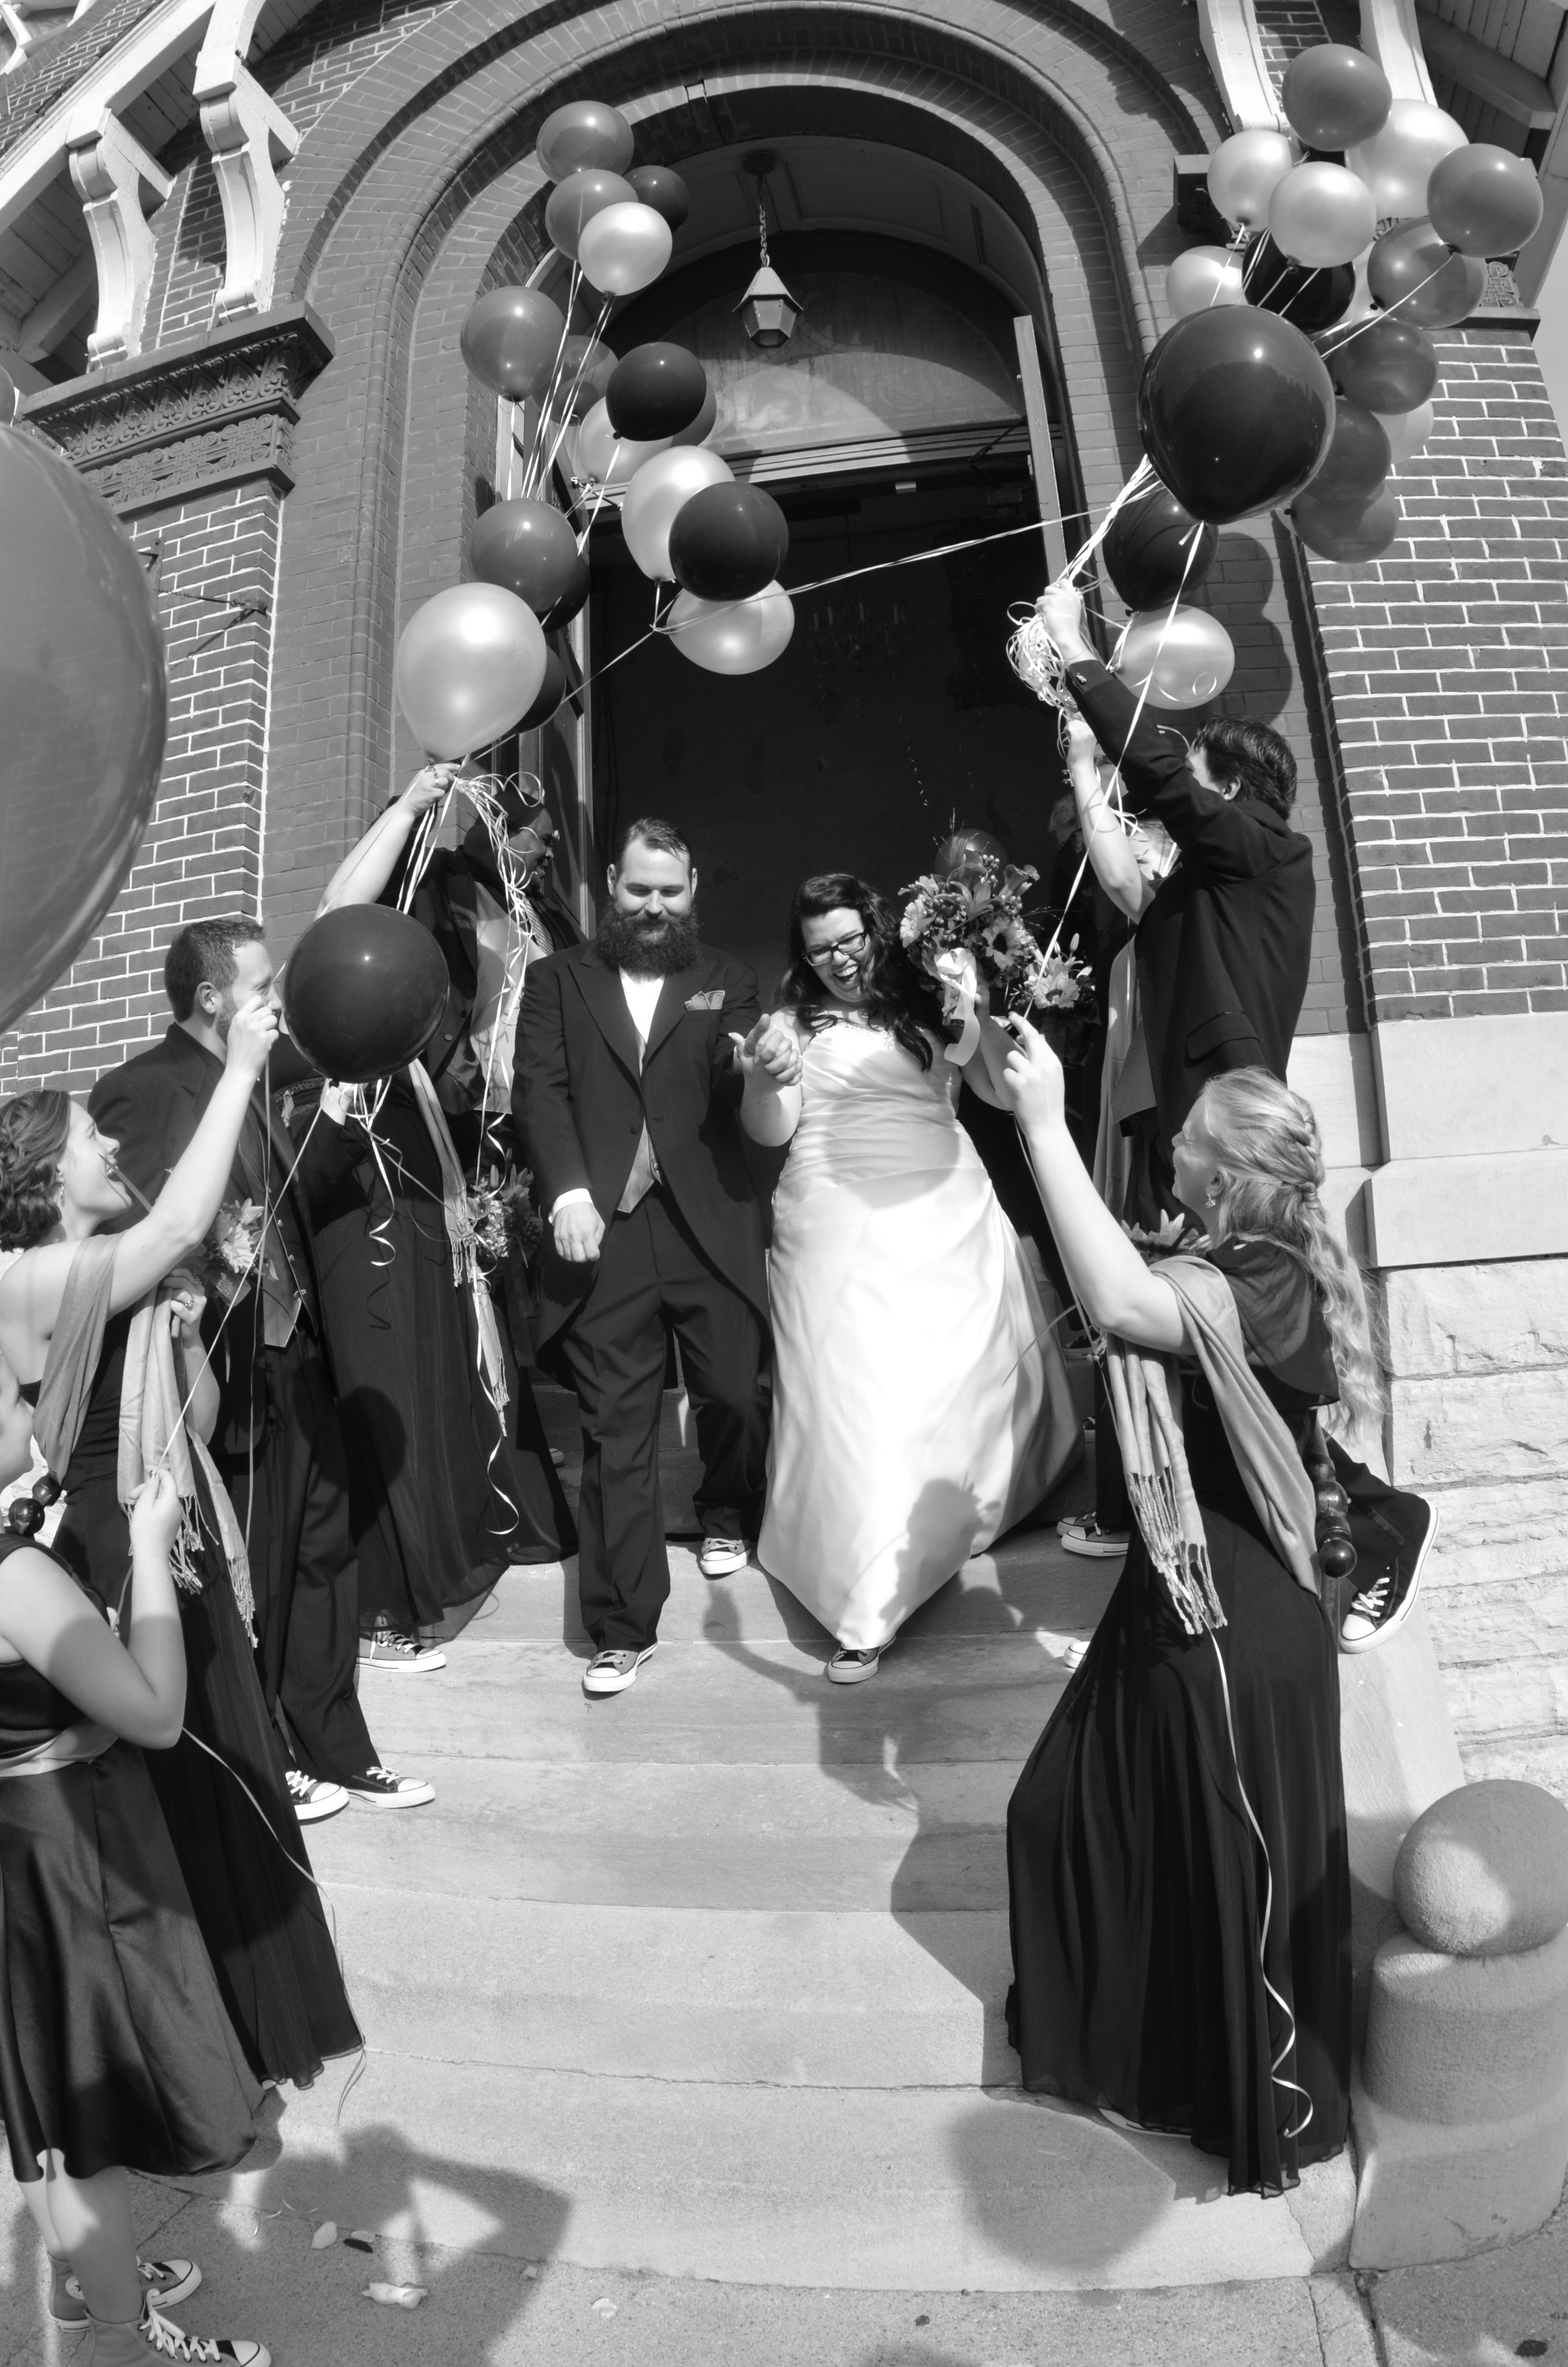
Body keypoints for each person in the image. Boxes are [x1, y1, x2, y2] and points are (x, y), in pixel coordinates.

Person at [1039, 583, 1436, 1648]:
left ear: (1234, 790)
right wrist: (1082, 765)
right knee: (1218, 1364)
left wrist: (1079, 653)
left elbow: (1164, 782)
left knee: (1259, 1352)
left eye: (1198, 782)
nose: (1180, 801)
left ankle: (1380, 1522)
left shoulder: (1267, 848)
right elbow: (1123, 881)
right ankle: (1250, 1546)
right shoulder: (1208, 885)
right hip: (1196, 1139)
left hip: (1237, 1142)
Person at [999, 1025, 1358, 2195]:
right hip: (1175, 1587)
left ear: (1227, 1172)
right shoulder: (1220, 1258)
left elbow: (1120, 1300)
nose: (1170, 1154)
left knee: (1225, 1875)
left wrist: (1046, 1123)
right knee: (1060, 1811)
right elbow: (1117, 1276)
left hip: (1234, 1627)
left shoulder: (1267, 1279)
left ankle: (1240, 2097)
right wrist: (992, 1062)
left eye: (1187, 1141)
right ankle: (1148, 2058)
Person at [0, 1046, 364, 2090]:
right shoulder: (26, 1280)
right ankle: (200, 2046)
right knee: (179, 1791)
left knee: (230, 1766)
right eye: (89, 1135)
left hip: (181, 1528)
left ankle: (255, 2026)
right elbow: (174, 1226)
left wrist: (193, 1336)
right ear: (45, 1173)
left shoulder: (123, 1276)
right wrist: (245, 1062)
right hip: (118, 1550)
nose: (110, 1143)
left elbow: (196, 1421)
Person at [88, 920, 431, 1815]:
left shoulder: (272, 1082)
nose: (279, 999)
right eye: (263, 983)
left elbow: (287, 1204)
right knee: (256, 1566)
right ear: (212, 998)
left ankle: (339, 1744)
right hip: (223, 1363)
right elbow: (141, 1227)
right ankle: (263, 1752)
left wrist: (335, 1127)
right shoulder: (140, 1087)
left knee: (323, 1557)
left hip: (299, 1348)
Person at [0, 1361, 271, 2355]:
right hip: (63, 1853)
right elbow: (156, 1713)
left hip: (19, 1850)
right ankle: (121, 2330)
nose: (31, 1403)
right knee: (88, 2112)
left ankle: (87, 2280)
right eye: (10, 1395)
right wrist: (151, 1551)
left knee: (37, 2099)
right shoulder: (13, 1576)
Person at [747, 875, 1080, 1681]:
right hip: (832, 1199)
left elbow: (998, 1091)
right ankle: (864, 1597)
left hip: (942, 1191)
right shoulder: (792, 1022)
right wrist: (761, 1078)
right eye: (820, 949)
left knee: (943, 1382)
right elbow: (772, 1130)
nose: (838, 959)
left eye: (850, 939)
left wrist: (983, 1007)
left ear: (876, 928)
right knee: (861, 1392)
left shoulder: (931, 996)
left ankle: (948, 1525)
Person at [513, 817, 797, 1696]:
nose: (654, 906)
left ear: (693, 889)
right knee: (615, 1431)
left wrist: (764, 1065)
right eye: (639, 889)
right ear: (612, 882)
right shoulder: (557, 979)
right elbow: (540, 1090)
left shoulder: (726, 977)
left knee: (736, 1392)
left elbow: (738, 1075)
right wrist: (567, 1194)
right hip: (605, 1230)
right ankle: (622, 1626)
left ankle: (726, 1506)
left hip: (707, 1222)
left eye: (670, 891)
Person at [300, 769, 577, 1666]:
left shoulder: (533, 914)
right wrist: (417, 803)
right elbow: (341, 909)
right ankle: (402, 1581)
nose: (546, 851)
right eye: (535, 834)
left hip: (466, 1136)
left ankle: (483, 1514)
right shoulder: (431, 889)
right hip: (403, 1148)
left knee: (468, 1338)